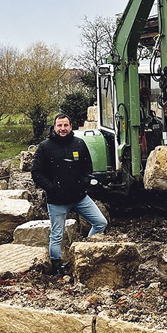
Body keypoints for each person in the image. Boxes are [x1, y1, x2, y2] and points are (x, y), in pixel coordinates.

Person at [31, 114, 108, 274]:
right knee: (57, 235)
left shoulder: (79, 144)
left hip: (80, 198)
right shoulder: (45, 147)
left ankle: (83, 251)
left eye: (65, 125)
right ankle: (57, 266)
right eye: (59, 125)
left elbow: (88, 167)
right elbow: (36, 173)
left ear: (70, 126)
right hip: (56, 201)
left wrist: (84, 183)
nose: (63, 129)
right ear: (54, 127)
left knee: (101, 222)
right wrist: (51, 187)